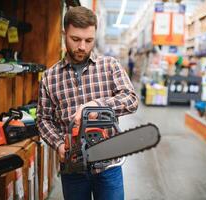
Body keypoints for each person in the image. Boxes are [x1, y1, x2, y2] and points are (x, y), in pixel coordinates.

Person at [36, 6, 138, 200]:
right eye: (75, 39)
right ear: (65, 33)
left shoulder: (110, 66)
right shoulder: (49, 77)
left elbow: (131, 99)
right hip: (72, 169)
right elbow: (43, 120)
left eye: (88, 40)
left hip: (109, 166)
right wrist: (58, 144)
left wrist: (97, 105)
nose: (82, 46)